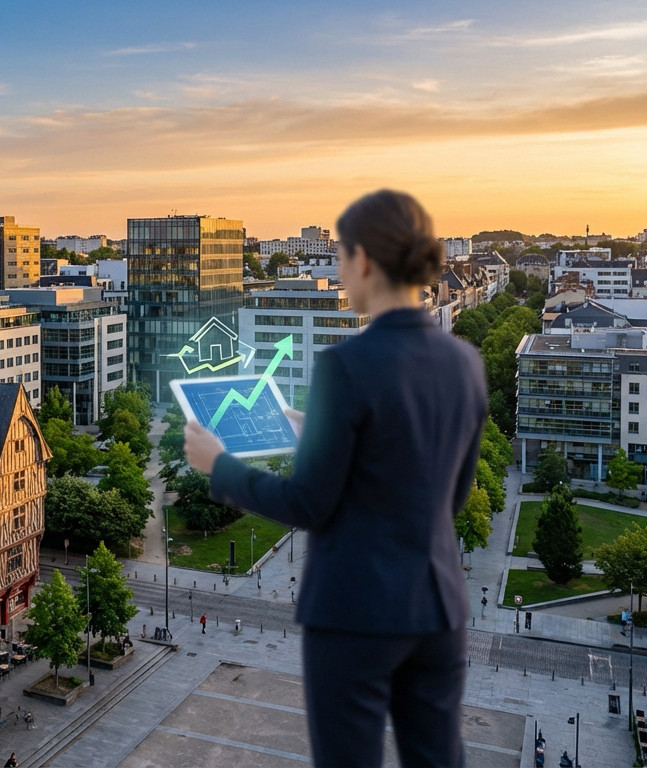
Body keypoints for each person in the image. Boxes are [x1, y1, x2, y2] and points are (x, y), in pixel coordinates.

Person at [184, 190, 487, 768]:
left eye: (341, 259)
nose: (339, 274)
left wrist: (218, 466)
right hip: (437, 609)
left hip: (354, 613)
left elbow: (309, 504)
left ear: (366, 260)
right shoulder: (464, 362)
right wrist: (313, 429)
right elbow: (449, 494)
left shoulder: (346, 365)